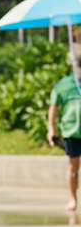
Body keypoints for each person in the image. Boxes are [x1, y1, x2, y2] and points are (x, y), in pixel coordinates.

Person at [46, 51, 81, 211]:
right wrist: (51, 128)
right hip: (71, 130)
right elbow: (53, 107)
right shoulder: (63, 84)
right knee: (73, 165)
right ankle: (73, 199)